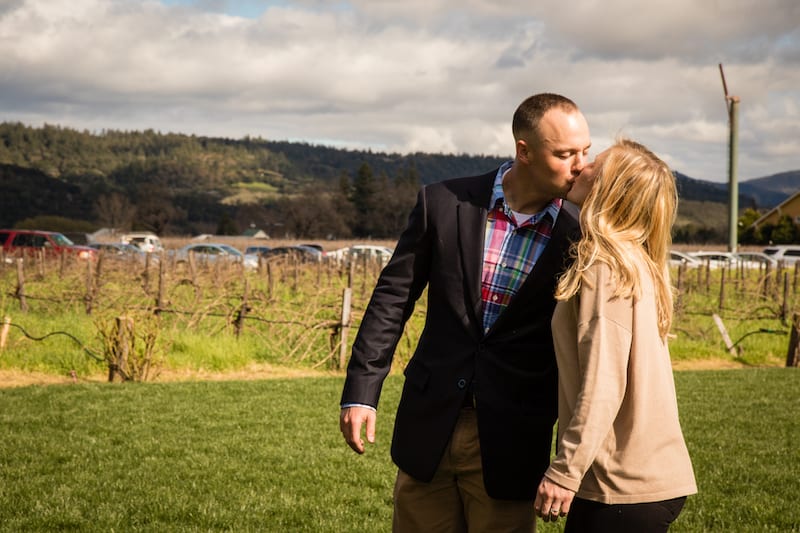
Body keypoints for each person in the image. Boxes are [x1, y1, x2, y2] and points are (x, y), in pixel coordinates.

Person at [339, 93, 591, 532]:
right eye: (565, 153)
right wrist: (362, 390)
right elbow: (392, 299)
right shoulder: (441, 203)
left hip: (513, 438)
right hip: (429, 424)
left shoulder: (582, 234)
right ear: (524, 151)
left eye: (585, 151)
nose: (580, 165)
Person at [534, 138, 698, 532]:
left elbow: (603, 383)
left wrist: (564, 471)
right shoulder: (634, 260)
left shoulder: (603, 266)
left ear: (608, 187)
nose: (581, 166)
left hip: (620, 487)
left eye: (594, 163)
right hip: (646, 481)